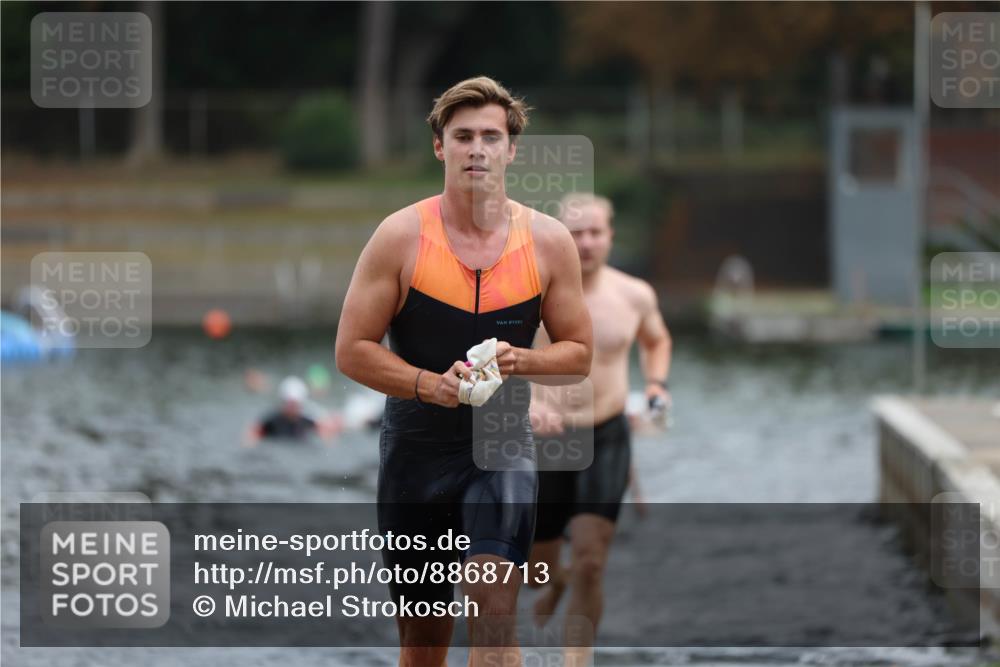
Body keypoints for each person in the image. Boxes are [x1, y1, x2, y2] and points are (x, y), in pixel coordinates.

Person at [335, 76, 592, 667]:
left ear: (511, 149)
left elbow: (579, 351)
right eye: (464, 136)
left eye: (491, 137)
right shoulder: (400, 237)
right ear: (439, 147)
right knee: (423, 647)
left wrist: (521, 359)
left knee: (491, 601)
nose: (478, 148)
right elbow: (352, 349)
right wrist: (431, 385)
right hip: (415, 451)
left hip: (499, 441)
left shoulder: (548, 243)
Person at [527, 193, 672, 666]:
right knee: (535, 573)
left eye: (595, 232)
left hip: (606, 434)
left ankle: (577, 660)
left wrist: (656, 384)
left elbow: (656, 339)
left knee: (592, 560)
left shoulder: (634, 294)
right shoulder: (530, 292)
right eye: (575, 233)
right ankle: (558, 578)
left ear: (611, 236)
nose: (586, 242)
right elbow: (494, 358)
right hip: (547, 441)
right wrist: (526, 403)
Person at [245, 376, 342, 446]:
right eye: (289, 404)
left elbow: (326, 436)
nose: (292, 408)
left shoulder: (306, 421)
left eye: (295, 404)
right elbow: (252, 434)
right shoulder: (272, 421)